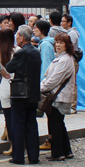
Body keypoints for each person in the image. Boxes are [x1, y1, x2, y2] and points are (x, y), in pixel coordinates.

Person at [3, 26, 41, 164]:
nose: (16, 38)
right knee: (31, 124)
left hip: (20, 93)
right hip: (33, 92)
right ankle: (33, 156)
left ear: (22, 38)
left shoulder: (21, 53)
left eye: (17, 36)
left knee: (18, 124)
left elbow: (9, 67)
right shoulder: (36, 51)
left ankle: (18, 156)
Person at [40, 33, 77, 161]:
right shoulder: (64, 58)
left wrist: (41, 88)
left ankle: (58, 152)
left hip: (58, 97)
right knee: (59, 124)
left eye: (61, 43)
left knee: (55, 124)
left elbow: (53, 80)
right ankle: (66, 150)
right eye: (57, 42)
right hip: (59, 96)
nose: (58, 45)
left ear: (67, 45)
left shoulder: (64, 60)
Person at [34, 19, 55, 150]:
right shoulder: (46, 43)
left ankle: (51, 139)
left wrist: (42, 83)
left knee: (50, 113)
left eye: (35, 28)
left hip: (45, 84)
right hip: (47, 83)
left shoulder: (46, 45)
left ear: (42, 30)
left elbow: (46, 65)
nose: (33, 30)